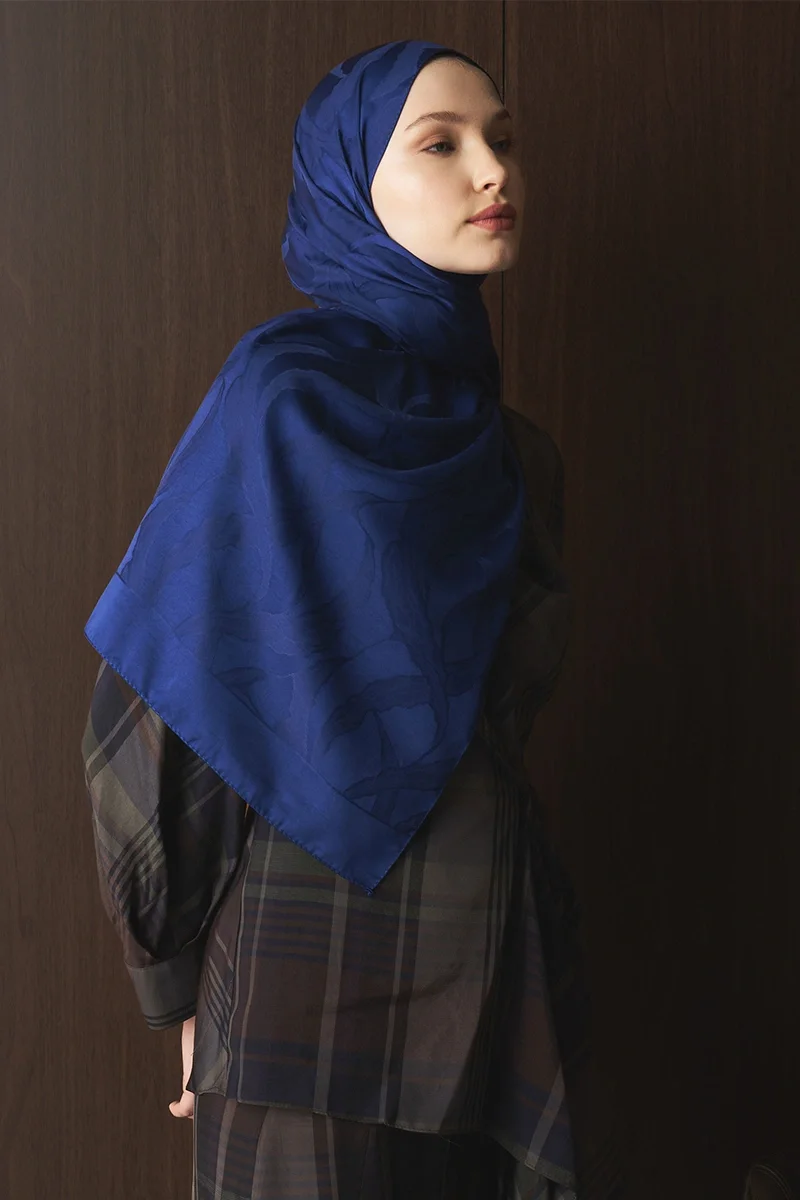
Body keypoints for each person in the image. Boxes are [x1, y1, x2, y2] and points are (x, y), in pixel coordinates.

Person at [81, 39, 625, 1200]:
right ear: (348, 185)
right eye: (439, 144)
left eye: (501, 140)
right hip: (306, 981)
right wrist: (172, 983)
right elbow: (165, 698)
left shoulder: (516, 457)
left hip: (495, 979)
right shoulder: (284, 401)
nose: (491, 170)